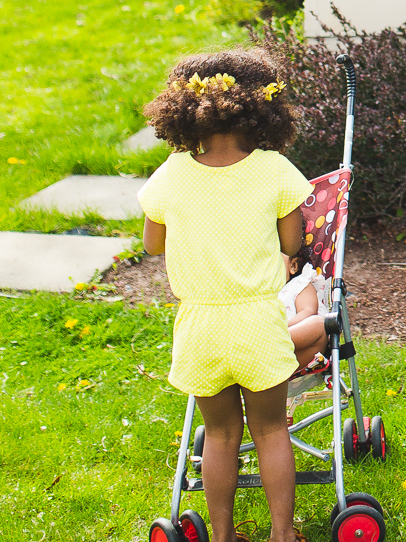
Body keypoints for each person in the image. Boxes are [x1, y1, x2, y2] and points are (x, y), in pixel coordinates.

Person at [138, 48, 314, 542]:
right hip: (256, 322)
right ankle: (282, 535)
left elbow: (153, 244)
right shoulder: (274, 169)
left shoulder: (171, 173)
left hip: (200, 325)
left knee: (218, 435)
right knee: (271, 430)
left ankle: (223, 536)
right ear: (262, 111)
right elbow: (291, 243)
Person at [279, 252, 332, 374]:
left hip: (299, 350)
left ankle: (269, 341)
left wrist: (281, 329)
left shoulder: (298, 284)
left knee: (318, 324)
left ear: (293, 266)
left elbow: (308, 311)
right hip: (268, 355)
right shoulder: (258, 294)